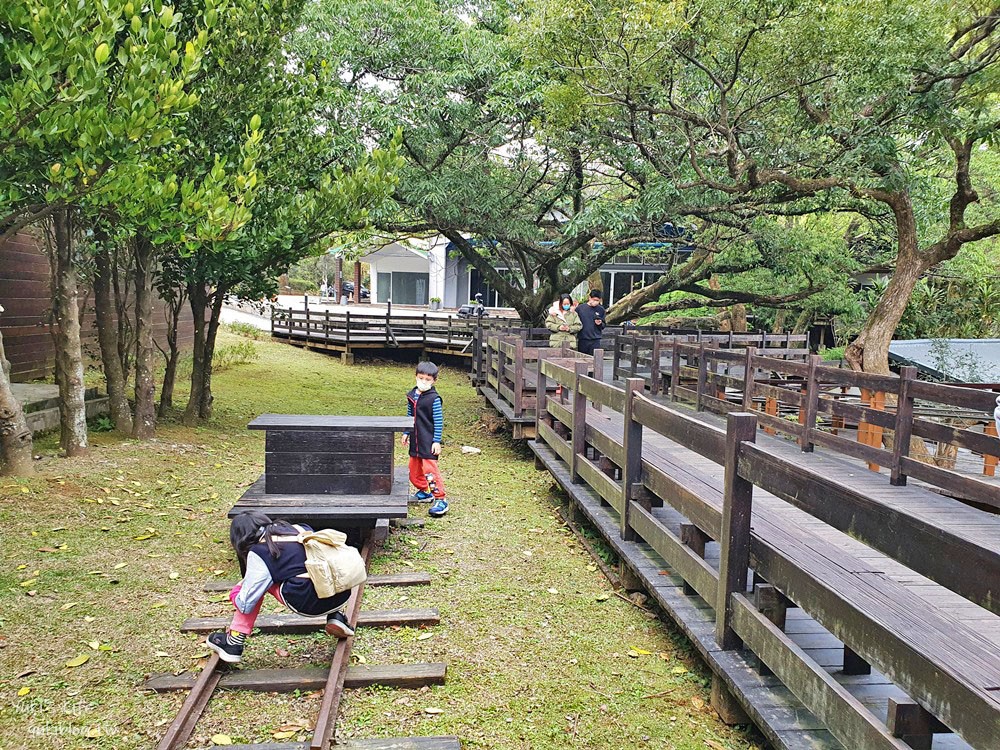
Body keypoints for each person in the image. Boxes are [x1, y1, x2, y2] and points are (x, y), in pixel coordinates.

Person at [205, 511, 355, 664]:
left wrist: (236, 592)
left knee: (253, 586)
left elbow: (245, 604)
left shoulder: (260, 551)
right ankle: (337, 616)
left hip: (307, 603)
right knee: (313, 568)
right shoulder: (299, 529)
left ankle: (233, 642)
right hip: (341, 594)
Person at [402, 362, 449, 517]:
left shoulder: (434, 399)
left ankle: (440, 499)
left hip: (428, 441)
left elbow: (438, 421)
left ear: (434, 380)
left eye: (427, 379)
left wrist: (436, 440)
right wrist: (406, 432)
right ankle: (424, 491)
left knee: (430, 471)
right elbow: (410, 415)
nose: (423, 382)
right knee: (413, 470)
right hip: (415, 441)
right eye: (421, 378)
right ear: (416, 377)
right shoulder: (412, 395)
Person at [575, 289, 606, 356]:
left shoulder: (601, 310)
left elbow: (603, 325)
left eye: (597, 300)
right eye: (594, 299)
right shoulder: (580, 309)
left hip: (595, 339)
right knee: (582, 358)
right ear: (589, 298)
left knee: (594, 359)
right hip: (583, 338)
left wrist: (600, 323)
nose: (595, 302)